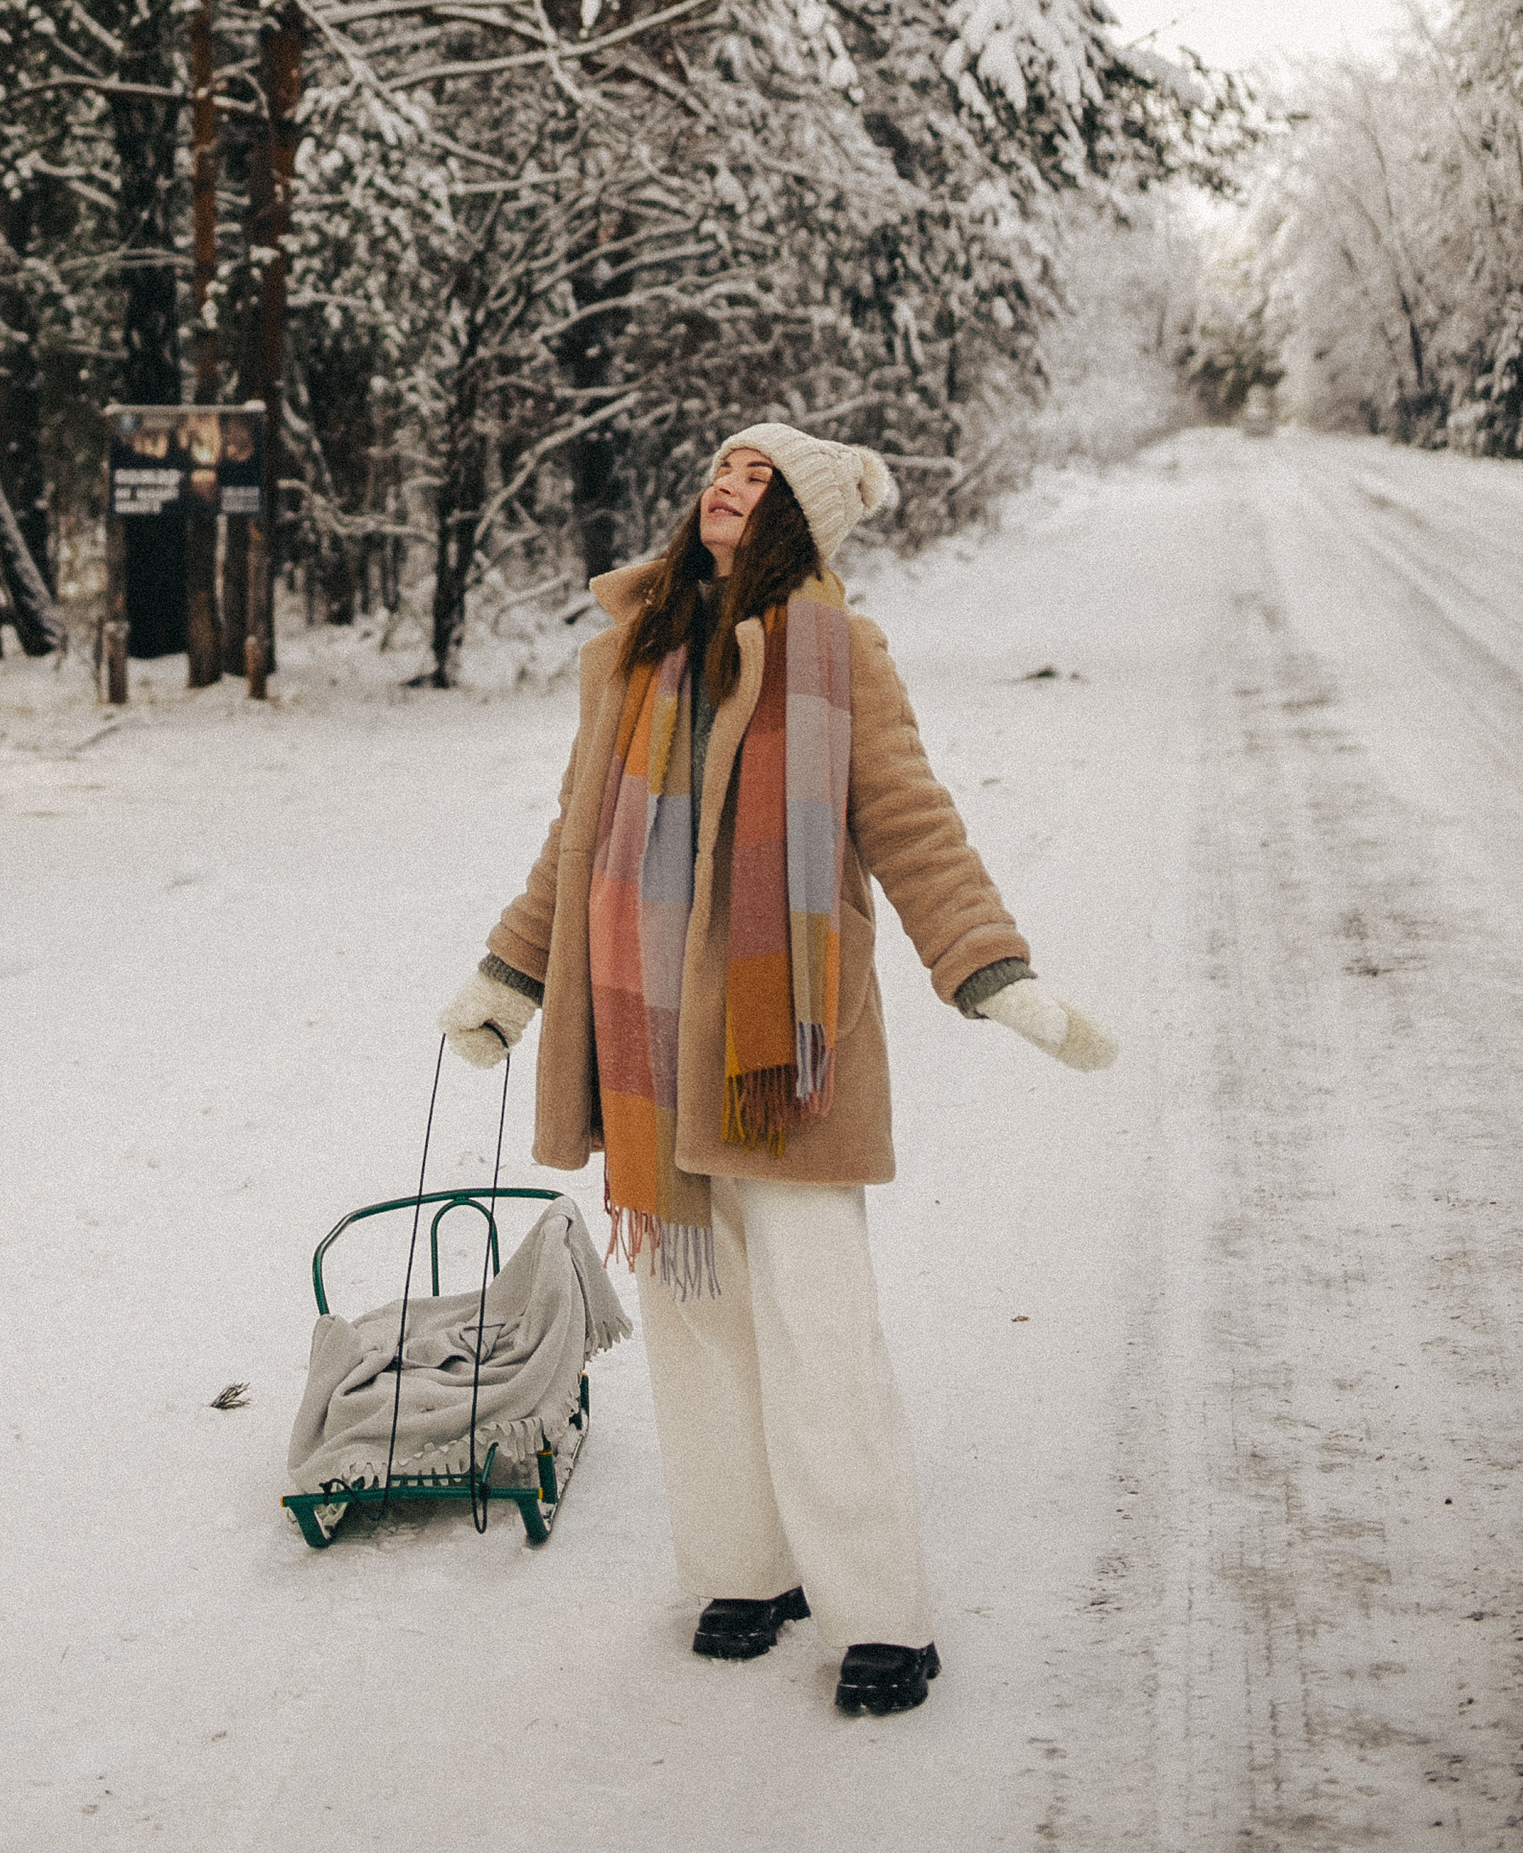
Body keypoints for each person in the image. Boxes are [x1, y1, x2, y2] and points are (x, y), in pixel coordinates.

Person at [439, 423, 1113, 1718]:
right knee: (698, 1325)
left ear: (800, 516)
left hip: (779, 1057)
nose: (726, 489)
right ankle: (747, 1571)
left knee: (818, 1329)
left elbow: (911, 823)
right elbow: (575, 842)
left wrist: (990, 968)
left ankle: (879, 1613)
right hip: (648, 1049)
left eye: (757, 479)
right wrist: (511, 976)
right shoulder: (631, 656)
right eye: (719, 471)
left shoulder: (838, 655)